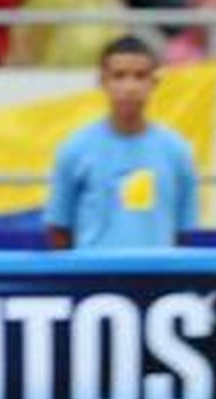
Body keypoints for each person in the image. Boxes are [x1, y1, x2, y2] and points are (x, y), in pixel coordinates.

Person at [46, 34, 198, 251]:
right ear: (103, 81)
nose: (129, 87)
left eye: (140, 76)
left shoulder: (177, 151)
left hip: (157, 279)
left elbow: (182, 233)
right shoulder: (75, 149)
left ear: (154, 82)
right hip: (94, 280)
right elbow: (60, 229)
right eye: (119, 76)